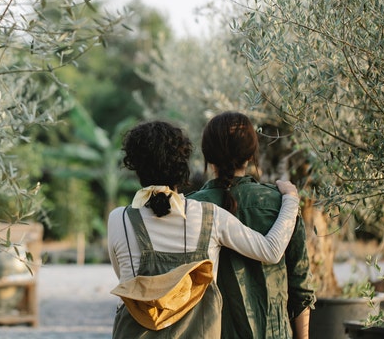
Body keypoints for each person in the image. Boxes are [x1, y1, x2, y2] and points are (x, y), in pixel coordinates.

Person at [107, 120, 301, 338]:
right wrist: (291, 200)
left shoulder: (119, 219)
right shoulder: (209, 216)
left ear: (135, 165)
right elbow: (271, 251)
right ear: (182, 164)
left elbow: (125, 277)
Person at [187, 111, 316, 339]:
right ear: (251, 153)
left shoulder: (189, 209)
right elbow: (300, 286)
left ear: (208, 156)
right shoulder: (282, 204)